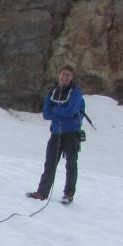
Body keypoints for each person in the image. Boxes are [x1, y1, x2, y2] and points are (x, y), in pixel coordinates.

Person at [27, 65, 86, 204]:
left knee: (71, 164)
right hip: (56, 134)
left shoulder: (76, 93)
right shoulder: (52, 92)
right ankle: (42, 193)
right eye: (63, 74)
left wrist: (55, 111)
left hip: (72, 134)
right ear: (59, 75)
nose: (65, 77)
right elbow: (46, 114)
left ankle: (68, 194)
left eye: (68, 75)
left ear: (72, 78)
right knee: (50, 164)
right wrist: (61, 112)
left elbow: (71, 111)